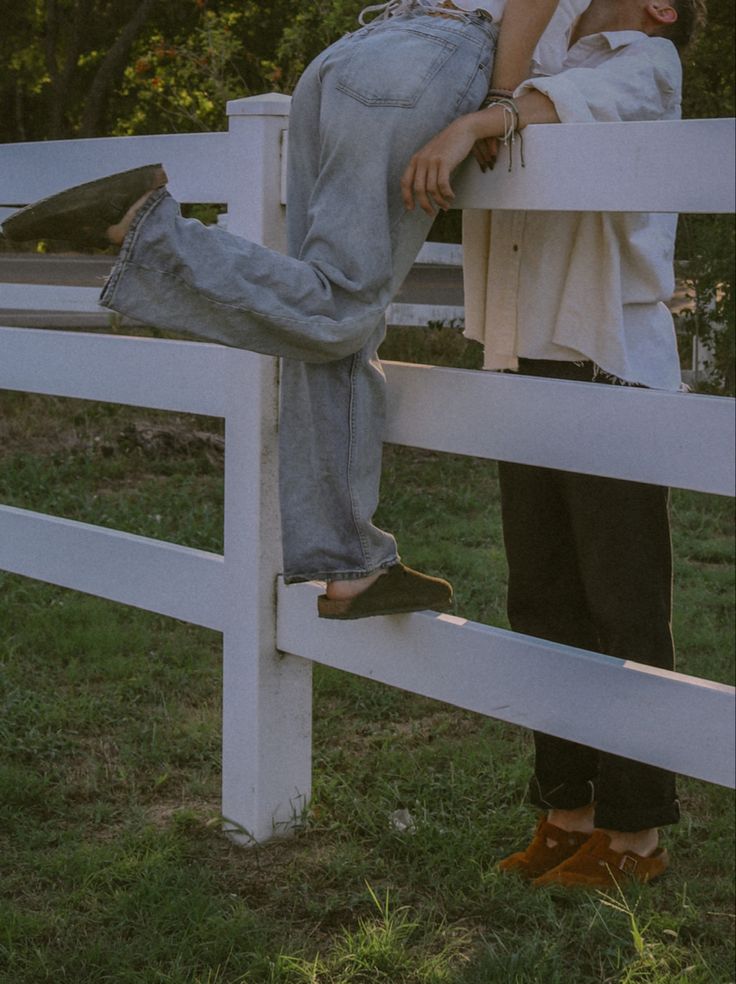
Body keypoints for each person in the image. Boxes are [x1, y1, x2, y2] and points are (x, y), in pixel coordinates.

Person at [3, 0, 563, 621]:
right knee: (340, 300)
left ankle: (349, 564)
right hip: (433, 59)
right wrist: (502, 99)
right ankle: (148, 229)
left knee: (316, 308)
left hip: (351, 59)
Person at [404, 0, 702, 887]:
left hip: (607, 358)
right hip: (522, 355)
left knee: (623, 600)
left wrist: (480, 119)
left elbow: (558, 106)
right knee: (541, 597)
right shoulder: (540, 43)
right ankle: (566, 812)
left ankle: (636, 835)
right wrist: (484, 96)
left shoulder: (649, 63)